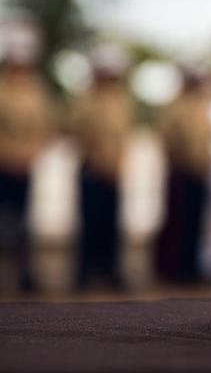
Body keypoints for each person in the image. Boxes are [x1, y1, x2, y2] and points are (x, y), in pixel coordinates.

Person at [69, 46, 132, 288]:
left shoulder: (121, 100)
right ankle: (84, 273)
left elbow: (124, 135)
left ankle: (111, 270)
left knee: (111, 224)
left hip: (114, 171)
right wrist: (94, 158)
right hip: (92, 170)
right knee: (90, 223)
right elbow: (75, 131)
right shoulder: (85, 100)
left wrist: (120, 162)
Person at [0, 25, 52, 291]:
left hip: (25, 168)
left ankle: (24, 275)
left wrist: (32, 152)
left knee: (23, 226)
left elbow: (44, 126)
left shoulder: (36, 91)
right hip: (3, 167)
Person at [155, 67, 211, 282]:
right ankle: (172, 268)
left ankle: (191, 267)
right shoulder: (175, 108)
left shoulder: (203, 108)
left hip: (200, 173)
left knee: (195, 221)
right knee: (177, 221)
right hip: (181, 172)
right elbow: (168, 140)